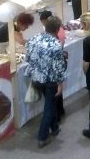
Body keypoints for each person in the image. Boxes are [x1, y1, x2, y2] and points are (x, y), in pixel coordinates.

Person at [24, 15, 67, 147]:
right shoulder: (56, 45)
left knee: (50, 103)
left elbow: (27, 58)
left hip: (36, 77)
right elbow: (58, 68)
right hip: (50, 80)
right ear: (57, 29)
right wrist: (60, 84)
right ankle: (42, 136)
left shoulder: (33, 39)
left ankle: (54, 128)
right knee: (49, 107)